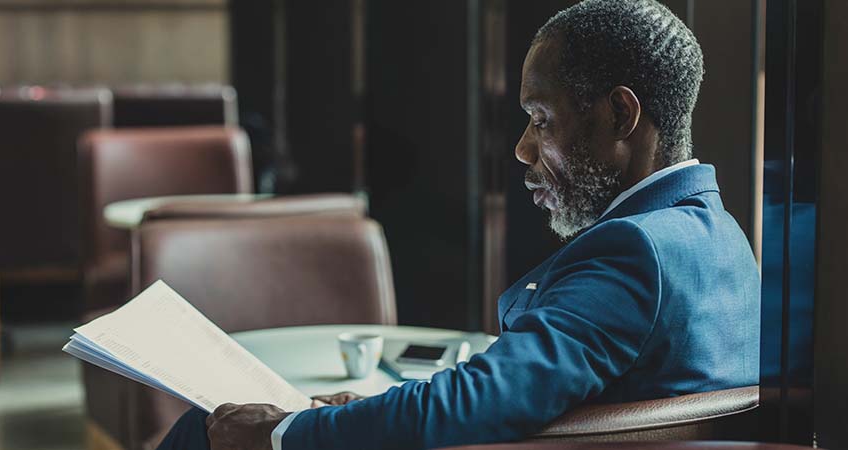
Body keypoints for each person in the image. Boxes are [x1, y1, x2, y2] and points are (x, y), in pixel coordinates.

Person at [158, 0, 760, 449]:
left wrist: (284, 433)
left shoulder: (633, 250)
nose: (524, 149)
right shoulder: (723, 238)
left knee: (204, 430)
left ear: (619, 116)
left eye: (541, 119)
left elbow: (482, 400)